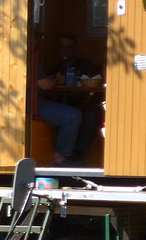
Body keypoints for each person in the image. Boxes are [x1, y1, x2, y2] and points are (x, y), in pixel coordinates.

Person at [36, 34, 103, 166]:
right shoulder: (55, 67)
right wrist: (57, 81)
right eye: (62, 47)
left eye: (69, 47)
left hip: (84, 101)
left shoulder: (86, 65)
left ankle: (78, 152)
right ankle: (62, 156)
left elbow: (94, 85)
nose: (66, 50)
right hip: (62, 102)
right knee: (73, 115)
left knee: (91, 115)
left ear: (75, 49)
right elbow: (47, 87)